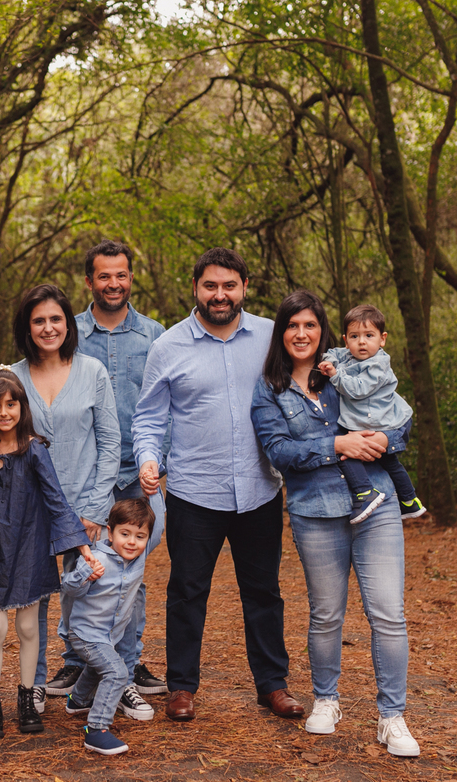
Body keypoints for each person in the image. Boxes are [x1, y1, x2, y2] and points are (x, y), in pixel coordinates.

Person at [132, 247, 304, 723]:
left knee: (264, 592)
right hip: (193, 492)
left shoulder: (273, 337)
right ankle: (182, 687)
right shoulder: (168, 346)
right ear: (195, 289)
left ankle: (273, 686)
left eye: (230, 285)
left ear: (245, 287)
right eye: (211, 285)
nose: (220, 294)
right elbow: (148, 417)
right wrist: (149, 459)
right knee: (187, 591)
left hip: (259, 490)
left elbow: (307, 384)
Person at [251, 290, 419, 757]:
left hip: (378, 504)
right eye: (291, 326)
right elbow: (278, 451)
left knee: (387, 613)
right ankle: (327, 700)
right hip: (315, 512)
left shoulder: (349, 370)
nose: (301, 334)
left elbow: (399, 415)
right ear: (280, 334)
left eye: (309, 325)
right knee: (326, 615)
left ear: (322, 331)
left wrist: (387, 437)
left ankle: (393, 717)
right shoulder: (269, 388)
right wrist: (337, 448)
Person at [0, 370, 104, 740]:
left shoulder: (34, 450)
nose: (4, 412)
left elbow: (56, 500)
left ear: (21, 407)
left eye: (11, 404)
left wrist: (83, 547)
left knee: (29, 627)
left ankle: (26, 700)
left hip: (30, 547)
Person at [9, 284, 120, 716]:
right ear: (27, 327)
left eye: (56, 319)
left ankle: (104, 680)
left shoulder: (92, 371)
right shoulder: (11, 376)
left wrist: (94, 509)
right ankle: (32, 684)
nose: (48, 327)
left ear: (68, 324)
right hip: (30, 509)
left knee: (95, 597)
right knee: (32, 602)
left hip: (86, 507)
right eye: (39, 320)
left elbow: (110, 443)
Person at [74, 239, 168, 697]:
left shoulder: (156, 335)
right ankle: (79, 662)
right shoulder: (68, 332)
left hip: (138, 474)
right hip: (88, 474)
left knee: (132, 567)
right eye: (104, 275)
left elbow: (172, 404)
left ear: (131, 278)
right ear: (89, 281)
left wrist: (160, 460)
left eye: (121, 275)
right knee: (87, 565)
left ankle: (127, 663)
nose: (114, 283)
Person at [61, 495, 166, 756]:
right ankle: (96, 730)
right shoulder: (95, 557)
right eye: (125, 534)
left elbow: (159, 521)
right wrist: (86, 573)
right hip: (85, 634)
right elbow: (68, 587)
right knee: (117, 672)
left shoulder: (138, 557)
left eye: (140, 536)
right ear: (110, 531)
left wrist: (152, 488)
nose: (132, 542)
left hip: (109, 636)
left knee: (101, 668)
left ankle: (78, 701)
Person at [316, 303, 426, 522]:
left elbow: (357, 389)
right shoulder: (349, 354)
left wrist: (335, 375)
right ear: (346, 340)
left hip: (377, 422)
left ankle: (365, 493)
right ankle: (410, 500)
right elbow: (334, 352)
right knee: (390, 462)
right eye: (354, 336)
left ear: (382, 339)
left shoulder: (378, 365)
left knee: (346, 455)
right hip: (368, 420)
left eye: (369, 335)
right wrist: (329, 360)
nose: (362, 341)